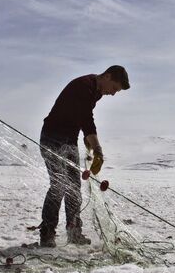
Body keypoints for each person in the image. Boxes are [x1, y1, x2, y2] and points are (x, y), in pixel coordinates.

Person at [38, 66, 130, 247]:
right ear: (107, 76)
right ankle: (47, 234)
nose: (113, 94)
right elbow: (86, 120)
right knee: (58, 186)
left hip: (69, 141)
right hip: (52, 138)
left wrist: (91, 148)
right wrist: (98, 149)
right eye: (114, 88)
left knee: (73, 188)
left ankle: (74, 232)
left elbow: (83, 120)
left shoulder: (95, 92)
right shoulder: (84, 86)